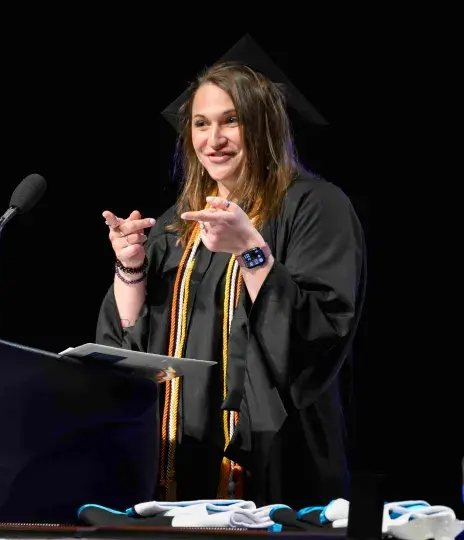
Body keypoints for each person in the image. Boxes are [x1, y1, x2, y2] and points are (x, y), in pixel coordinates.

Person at [95, 57, 367, 510]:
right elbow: (131, 339)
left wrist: (249, 250)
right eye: (201, 123)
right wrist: (132, 267)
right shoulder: (178, 224)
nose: (213, 139)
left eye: (231, 121)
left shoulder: (315, 206)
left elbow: (319, 333)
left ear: (263, 126)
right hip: (176, 456)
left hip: (273, 459)